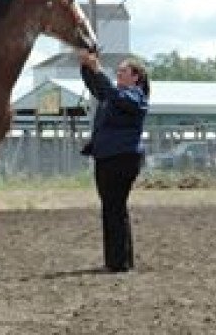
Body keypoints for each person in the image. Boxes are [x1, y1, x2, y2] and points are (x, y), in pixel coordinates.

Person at [78, 49, 150, 273]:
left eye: (123, 71)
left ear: (135, 77)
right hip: (107, 158)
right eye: (117, 71)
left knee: (115, 207)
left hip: (121, 159)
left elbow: (111, 92)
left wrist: (98, 69)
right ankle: (118, 260)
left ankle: (119, 262)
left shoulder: (135, 96)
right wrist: (86, 67)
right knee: (112, 208)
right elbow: (97, 87)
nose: (118, 74)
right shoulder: (114, 96)